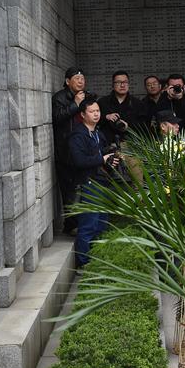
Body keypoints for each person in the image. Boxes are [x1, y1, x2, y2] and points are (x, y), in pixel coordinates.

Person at [68, 98, 120, 267]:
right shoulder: (77, 135)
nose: (96, 114)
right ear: (82, 115)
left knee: (101, 224)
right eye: (92, 111)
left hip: (102, 182)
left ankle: (97, 260)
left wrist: (110, 159)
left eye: (98, 110)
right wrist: (101, 159)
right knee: (88, 225)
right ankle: (83, 264)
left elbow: (102, 155)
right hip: (88, 184)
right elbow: (79, 161)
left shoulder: (98, 132)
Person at [52, 67, 88, 232]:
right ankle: (71, 225)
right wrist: (76, 104)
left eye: (82, 78)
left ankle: (81, 223)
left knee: (83, 188)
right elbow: (58, 118)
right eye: (77, 78)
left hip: (83, 149)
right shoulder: (59, 97)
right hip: (66, 152)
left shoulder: (86, 96)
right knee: (68, 191)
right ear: (67, 81)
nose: (81, 81)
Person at [97, 70, 147, 143]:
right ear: (113, 85)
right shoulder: (102, 102)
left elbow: (144, 126)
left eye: (125, 82)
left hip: (131, 145)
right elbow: (93, 121)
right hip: (107, 144)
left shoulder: (138, 103)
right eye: (118, 82)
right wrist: (106, 117)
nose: (122, 85)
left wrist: (128, 126)